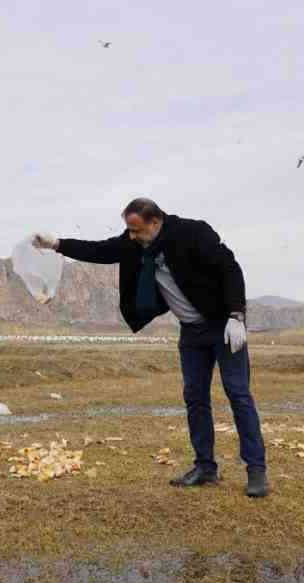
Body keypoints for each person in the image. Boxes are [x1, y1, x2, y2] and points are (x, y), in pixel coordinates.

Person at [32, 198, 269, 497]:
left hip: (224, 326)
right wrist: (57, 244)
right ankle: (205, 467)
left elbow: (230, 268)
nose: (131, 236)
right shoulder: (136, 243)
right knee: (195, 398)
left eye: (136, 230)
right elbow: (100, 250)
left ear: (155, 222)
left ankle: (256, 470)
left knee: (238, 394)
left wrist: (236, 316)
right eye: (129, 230)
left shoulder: (193, 232)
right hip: (191, 332)